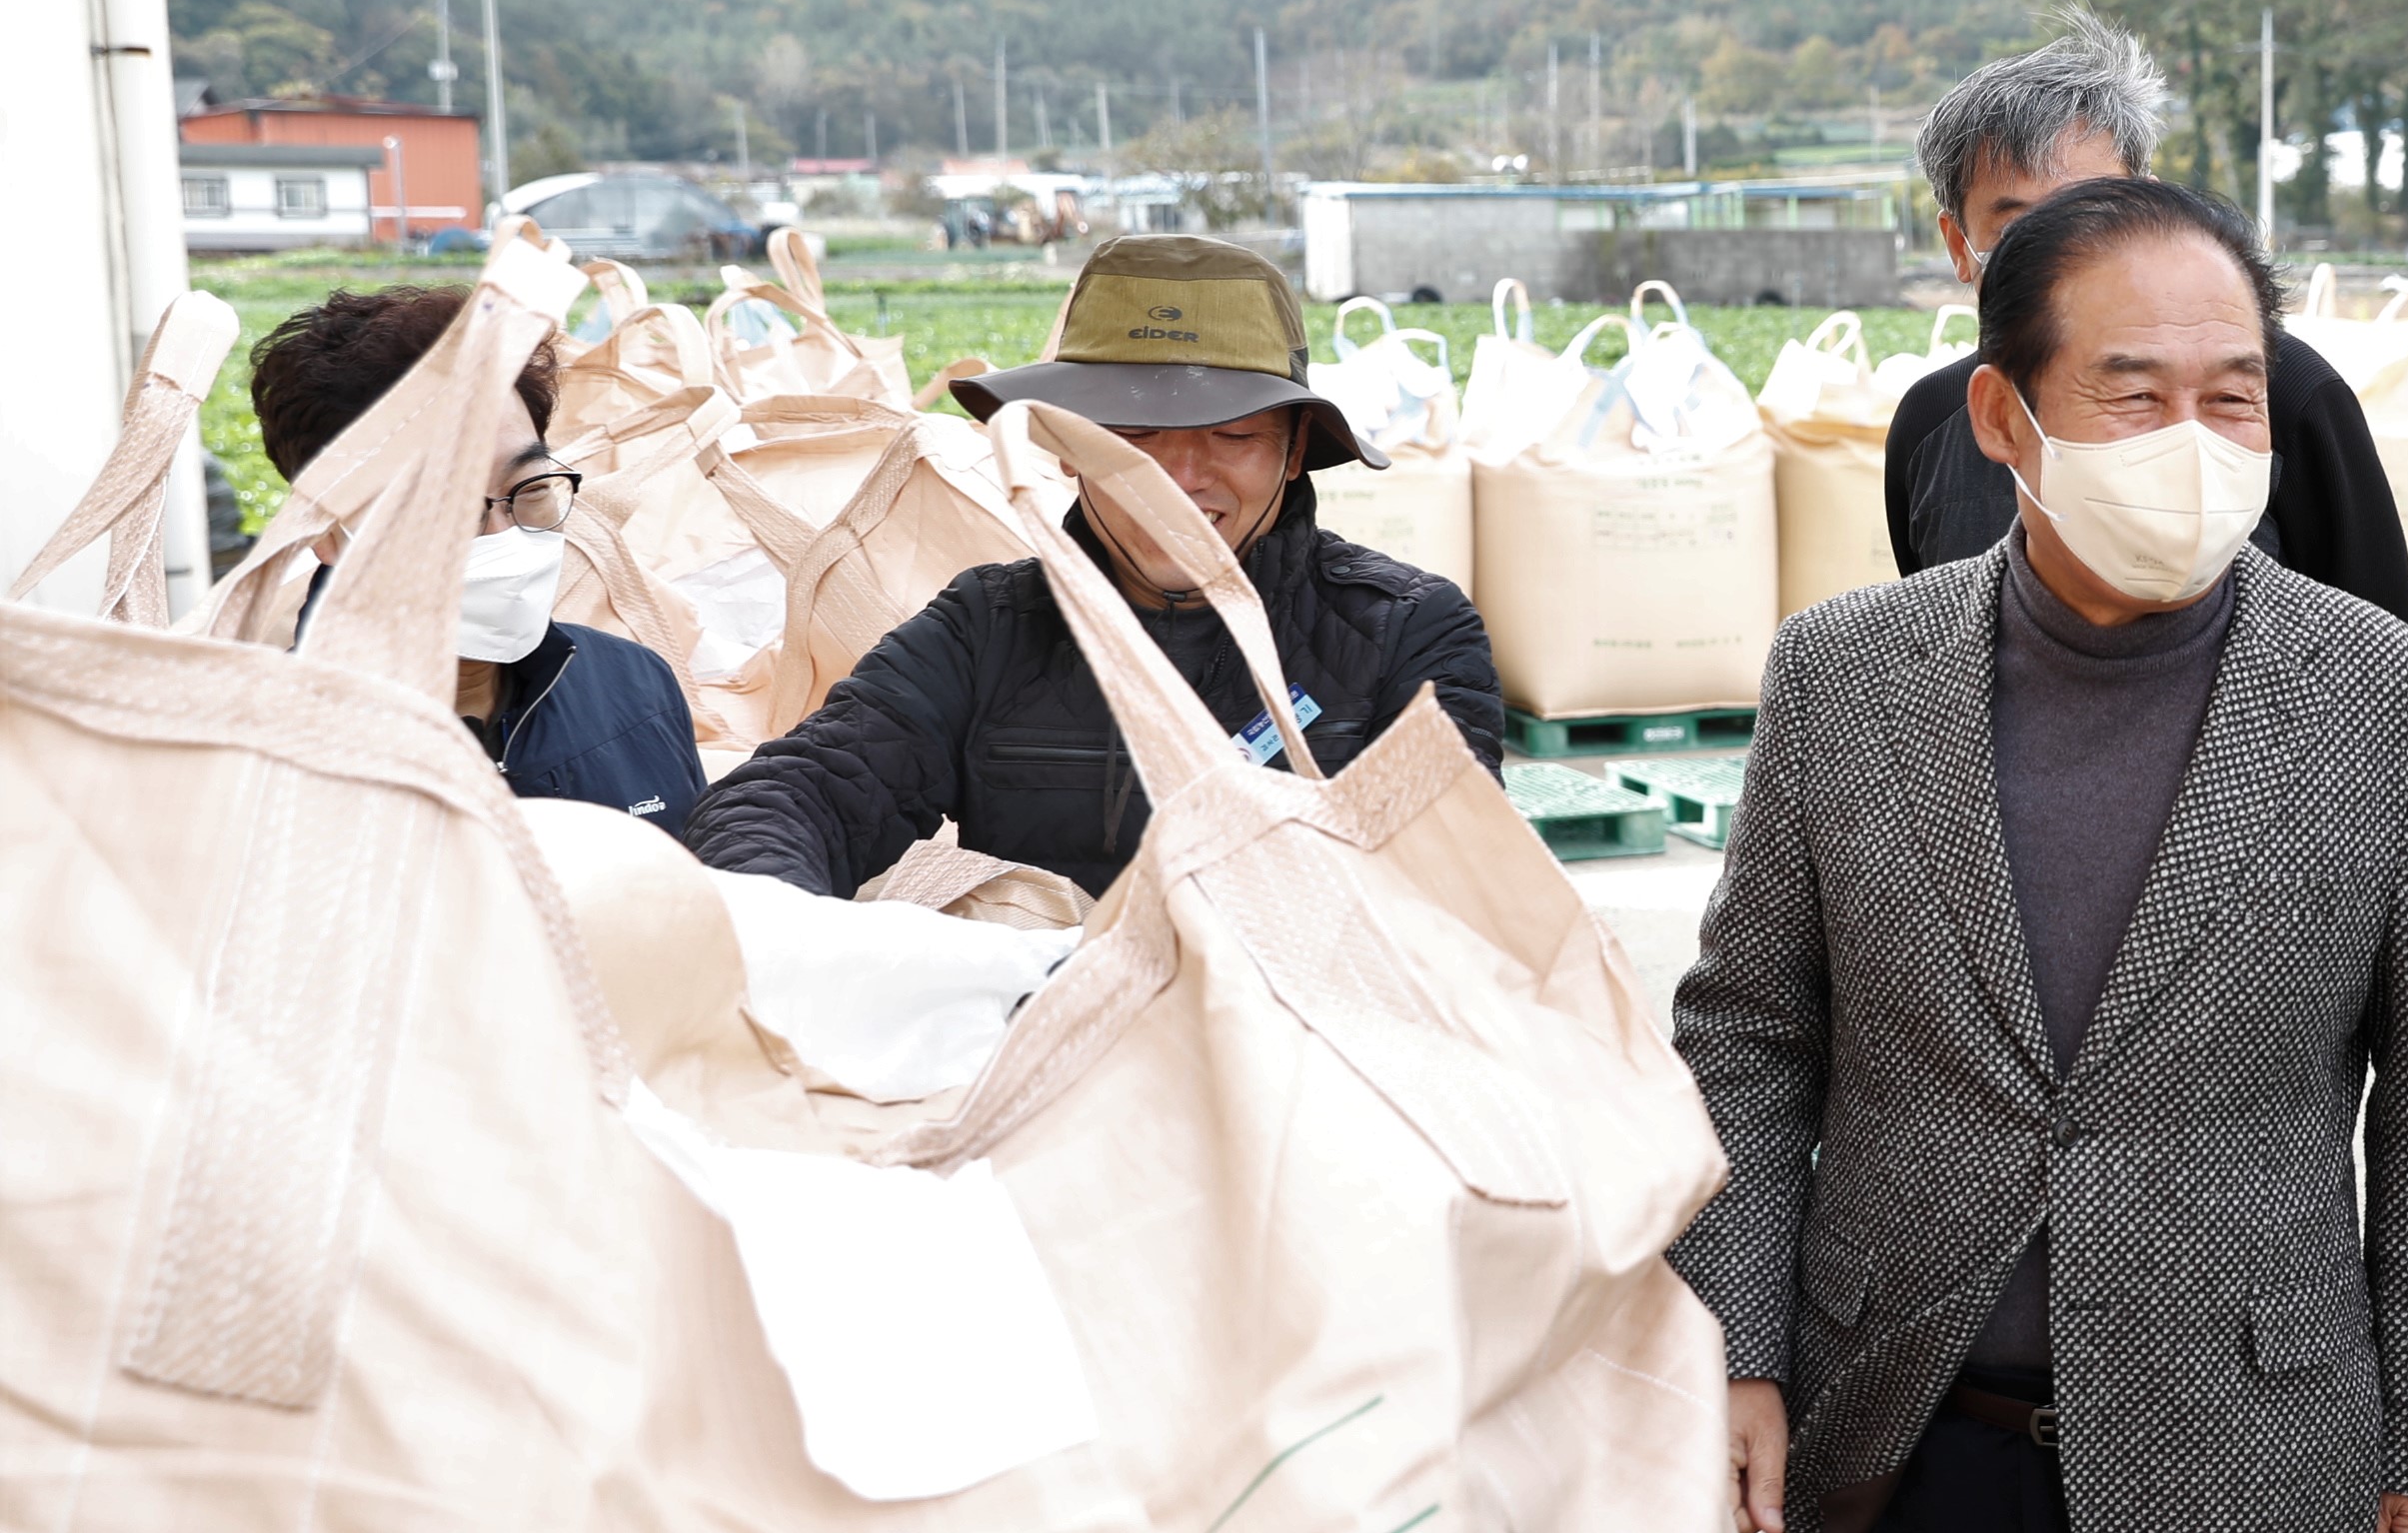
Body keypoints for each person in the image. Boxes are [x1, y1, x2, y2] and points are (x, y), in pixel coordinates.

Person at [1671, 175, 2408, 1533]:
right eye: (2133, 395)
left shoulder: (2389, 704)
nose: (2192, 441)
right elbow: (1747, 1034)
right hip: (1895, 1446)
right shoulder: (1845, 677)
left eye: (2232, 397)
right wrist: (1739, 1344)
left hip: (2243, 1447)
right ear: (2004, 416)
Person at [688, 237, 1500, 897]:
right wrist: (782, 918)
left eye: (1232, 435)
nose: (1177, 478)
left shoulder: (1406, 631)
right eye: (1132, 435)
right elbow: (801, 793)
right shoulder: (988, 629)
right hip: (1048, 1015)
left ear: (1293, 455)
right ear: (1068, 447)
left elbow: (1460, 878)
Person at [1886, 18, 2408, 628]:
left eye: (2093, 214)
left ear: (2152, 206)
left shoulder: (2283, 391)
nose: (2059, 260)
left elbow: (2381, 645)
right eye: (2018, 230)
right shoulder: (1931, 423)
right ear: (1958, 245)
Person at [249, 285, 705, 833]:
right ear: (328, 534)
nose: (504, 538)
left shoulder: (634, 686)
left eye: (530, 489)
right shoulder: (263, 759)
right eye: (446, 510)